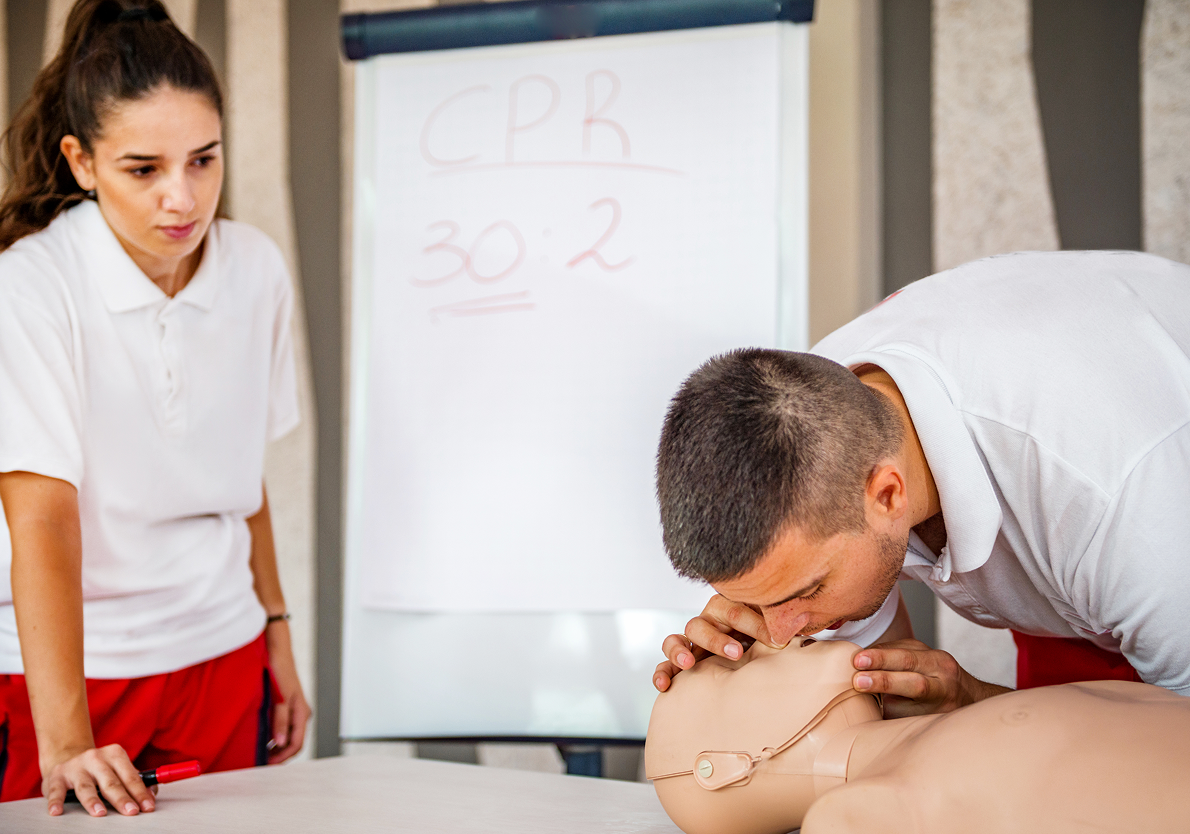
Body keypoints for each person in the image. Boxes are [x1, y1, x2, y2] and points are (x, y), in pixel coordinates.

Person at [0, 0, 310, 817]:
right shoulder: (32, 287)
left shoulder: (256, 270)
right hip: (70, 674)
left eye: (204, 160)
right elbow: (41, 518)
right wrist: (66, 741)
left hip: (221, 655)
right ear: (81, 161)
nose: (184, 197)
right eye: (144, 169)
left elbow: (245, 477)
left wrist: (276, 631)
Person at [652, 250, 1190, 715]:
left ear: (889, 494)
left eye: (806, 592)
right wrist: (751, 671)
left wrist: (976, 703)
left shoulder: (1114, 501)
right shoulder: (821, 416)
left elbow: (1167, 745)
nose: (782, 631)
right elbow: (878, 681)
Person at [645, 636, 1190, 834]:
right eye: (738, 663)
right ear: (722, 766)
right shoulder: (860, 817)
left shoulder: (956, 728)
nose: (774, 636)